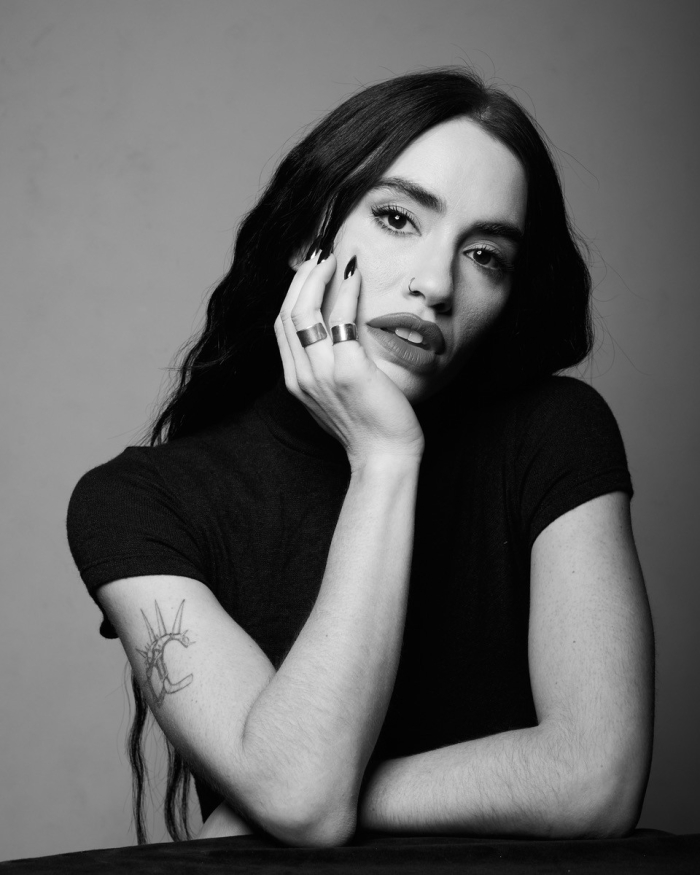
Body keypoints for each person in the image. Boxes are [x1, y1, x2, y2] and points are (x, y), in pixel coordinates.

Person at [67, 67, 654, 848]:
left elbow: (596, 780)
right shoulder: (137, 502)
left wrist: (279, 804)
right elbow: (303, 796)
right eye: (398, 218)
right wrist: (383, 458)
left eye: (485, 254)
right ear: (307, 235)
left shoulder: (554, 432)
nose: (435, 283)